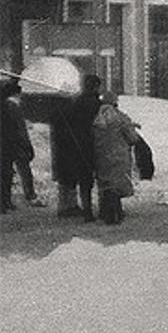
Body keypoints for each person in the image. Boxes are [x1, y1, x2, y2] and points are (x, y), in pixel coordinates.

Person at [51, 73, 102, 221]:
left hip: (76, 145)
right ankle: (99, 208)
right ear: (96, 86)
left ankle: (86, 209)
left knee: (82, 177)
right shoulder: (96, 104)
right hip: (92, 144)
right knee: (94, 178)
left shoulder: (75, 103)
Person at [92, 90, 142, 225]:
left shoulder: (96, 117)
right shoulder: (120, 118)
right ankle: (115, 214)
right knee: (116, 184)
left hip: (101, 155)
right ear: (115, 102)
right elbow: (132, 137)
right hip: (119, 155)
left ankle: (105, 211)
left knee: (105, 183)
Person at [1, 79, 46, 211]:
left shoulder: (4, 105)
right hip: (16, 144)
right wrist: (27, 145)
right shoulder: (14, 107)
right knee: (23, 170)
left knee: (5, 173)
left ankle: (5, 201)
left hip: (5, 144)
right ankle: (29, 195)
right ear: (17, 94)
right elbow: (21, 129)